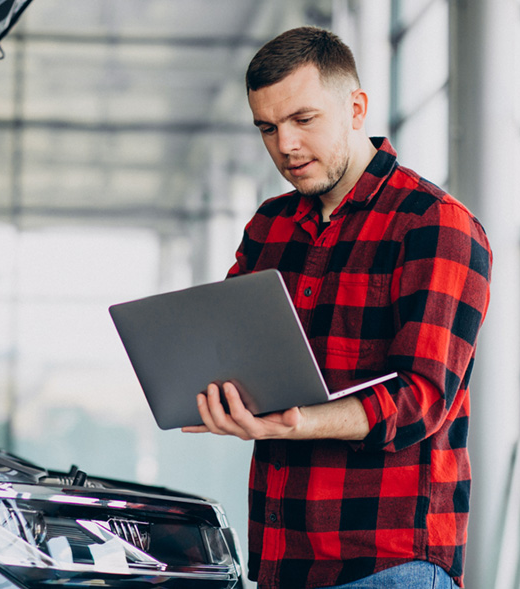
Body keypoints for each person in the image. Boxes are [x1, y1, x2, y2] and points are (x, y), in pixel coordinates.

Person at [182, 26, 492, 589]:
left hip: (388, 563)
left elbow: (421, 399)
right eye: (268, 128)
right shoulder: (270, 225)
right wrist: (211, 387)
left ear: (356, 109)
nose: (286, 146)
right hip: (283, 559)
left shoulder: (435, 224)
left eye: (304, 120)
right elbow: (229, 348)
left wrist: (296, 422)